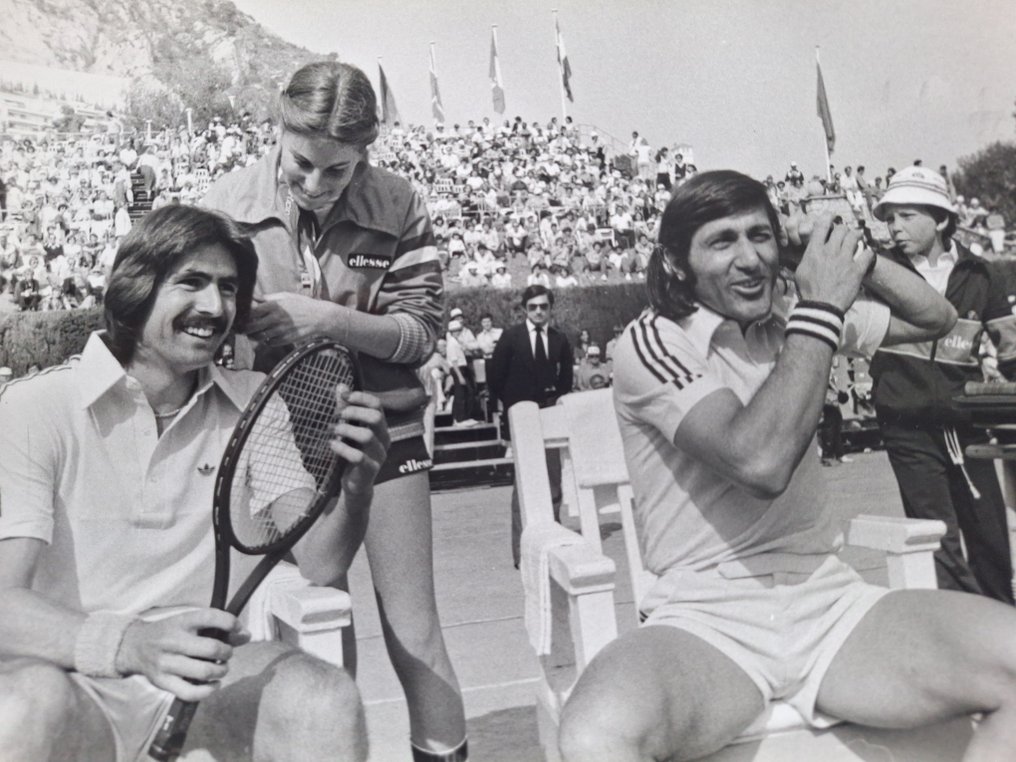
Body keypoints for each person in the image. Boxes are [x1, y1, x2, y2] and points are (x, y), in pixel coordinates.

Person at [557, 170, 1016, 762]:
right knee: (597, 736)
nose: (750, 259)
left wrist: (853, 258)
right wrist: (822, 306)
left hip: (827, 601)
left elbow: (936, 318)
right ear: (676, 262)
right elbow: (760, 462)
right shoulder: (654, 341)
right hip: (706, 617)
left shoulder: (792, 320)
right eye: (722, 242)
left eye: (761, 236)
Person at [0, 205, 384, 761]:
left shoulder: (256, 400)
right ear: (136, 289)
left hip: (207, 681)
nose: (215, 307)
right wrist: (131, 645)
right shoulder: (33, 408)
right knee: (20, 707)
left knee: (322, 697)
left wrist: (358, 485)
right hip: (70, 673)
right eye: (192, 282)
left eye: (228, 288)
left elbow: (322, 562)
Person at [202, 61, 466, 761]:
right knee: (322, 620)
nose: (317, 186)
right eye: (302, 165)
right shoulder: (224, 207)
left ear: (367, 154)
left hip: (382, 426)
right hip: (274, 434)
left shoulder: (400, 203)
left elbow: (420, 334)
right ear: (275, 128)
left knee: (415, 630)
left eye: (339, 171)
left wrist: (323, 319)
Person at [869, 166, 1016, 603]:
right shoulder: (878, 273)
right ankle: (968, 632)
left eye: (906, 216)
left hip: (968, 425)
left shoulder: (982, 272)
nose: (894, 227)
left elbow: (1009, 352)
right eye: (889, 217)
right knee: (940, 541)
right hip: (907, 425)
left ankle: (1004, 631)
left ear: (942, 220)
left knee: (990, 538)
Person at [487, 285, 573, 568]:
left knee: (553, 479)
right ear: (525, 308)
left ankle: (554, 542)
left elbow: (566, 381)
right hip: (520, 416)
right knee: (523, 484)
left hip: (548, 416)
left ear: (550, 308)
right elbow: (495, 377)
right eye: (533, 306)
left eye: (544, 306)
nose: (538, 311)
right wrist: (514, 406)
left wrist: (551, 402)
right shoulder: (511, 338)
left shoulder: (560, 340)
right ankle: (521, 551)